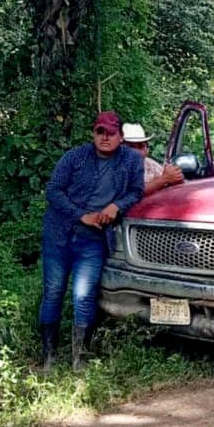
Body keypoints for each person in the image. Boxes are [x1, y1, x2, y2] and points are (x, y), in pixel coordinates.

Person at [40, 111, 145, 371]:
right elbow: (53, 190)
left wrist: (117, 206)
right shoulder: (75, 157)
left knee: (84, 295)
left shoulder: (131, 160)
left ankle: (79, 359)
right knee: (53, 292)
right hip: (60, 235)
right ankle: (49, 357)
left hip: (94, 239)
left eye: (111, 133)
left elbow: (136, 191)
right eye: (100, 132)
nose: (105, 137)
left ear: (120, 136)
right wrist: (81, 215)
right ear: (93, 134)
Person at [121, 123, 184, 195]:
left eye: (141, 146)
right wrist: (164, 179)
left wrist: (176, 178)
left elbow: (170, 178)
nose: (137, 151)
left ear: (146, 149)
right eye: (131, 147)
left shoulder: (150, 164)